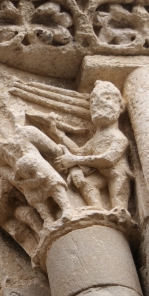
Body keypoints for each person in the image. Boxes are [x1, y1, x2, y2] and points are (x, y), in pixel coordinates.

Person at [52, 81, 132, 211]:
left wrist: (74, 160)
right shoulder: (96, 138)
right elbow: (79, 151)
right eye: (93, 101)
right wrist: (59, 134)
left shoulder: (119, 137)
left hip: (117, 175)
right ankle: (97, 208)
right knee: (87, 183)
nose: (98, 103)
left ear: (121, 107)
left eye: (107, 98)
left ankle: (121, 211)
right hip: (101, 174)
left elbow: (108, 159)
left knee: (118, 197)